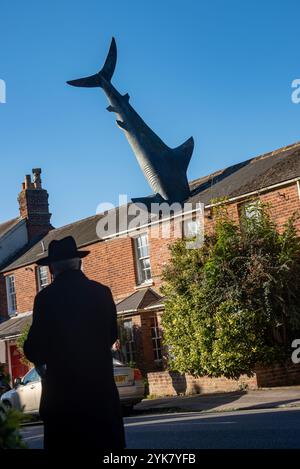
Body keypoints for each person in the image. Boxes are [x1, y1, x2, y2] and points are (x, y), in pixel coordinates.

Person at [23, 236, 125, 450]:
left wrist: (43, 363)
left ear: (51, 269)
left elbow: (33, 347)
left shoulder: (46, 299)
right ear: (79, 262)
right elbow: (111, 335)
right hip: (101, 398)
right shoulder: (101, 292)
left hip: (64, 403)